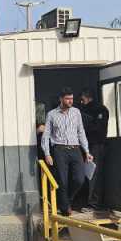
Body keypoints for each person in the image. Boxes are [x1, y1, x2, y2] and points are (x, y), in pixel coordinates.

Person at [41, 87, 94, 216]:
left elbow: (81, 132)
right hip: (59, 149)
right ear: (61, 99)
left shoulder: (76, 112)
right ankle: (65, 208)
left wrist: (86, 151)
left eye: (71, 98)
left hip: (75, 149)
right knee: (62, 181)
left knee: (79, 179)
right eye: (67, 99)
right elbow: (46, 134)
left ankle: (66, 201)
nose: (70, 101)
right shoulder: (52, 114)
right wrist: (47, 153)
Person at [76, 87, 110, 209]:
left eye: (82, 99)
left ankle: (93, 203)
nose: (81, 101)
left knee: (93, 173)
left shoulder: (96, 110)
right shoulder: (97, 109)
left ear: (87, 97)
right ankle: (91, 201)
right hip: (92, 145)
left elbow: (97, 128)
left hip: (95, 145)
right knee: (90, 173)